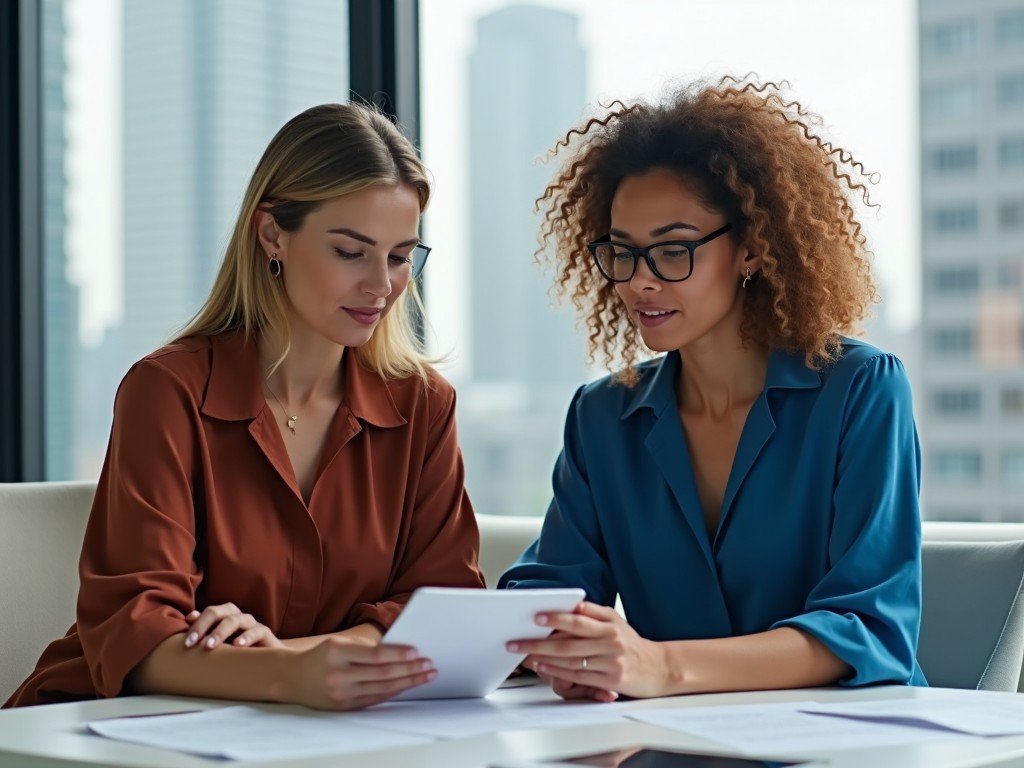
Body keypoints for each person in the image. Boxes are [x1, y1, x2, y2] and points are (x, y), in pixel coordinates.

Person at [6, 102, 484, 710]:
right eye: (350, 252)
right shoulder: (168, 390)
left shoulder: (422, 405)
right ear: (271, 234)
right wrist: (295, 674)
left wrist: (307, 659)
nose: (381, 285)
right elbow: (135, 629)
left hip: (321, 733)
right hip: (117, 728)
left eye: (398, 257)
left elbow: (445, 605)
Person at [500, 77, 926, 703]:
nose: (640, 281)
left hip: (846, 744)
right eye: (622, 252)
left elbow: (870, 629)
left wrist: (661, 667)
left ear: (751, 247)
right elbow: (554, 592)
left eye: (673, 250)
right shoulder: (603, 417)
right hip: (673, 744)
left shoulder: (859, 390)